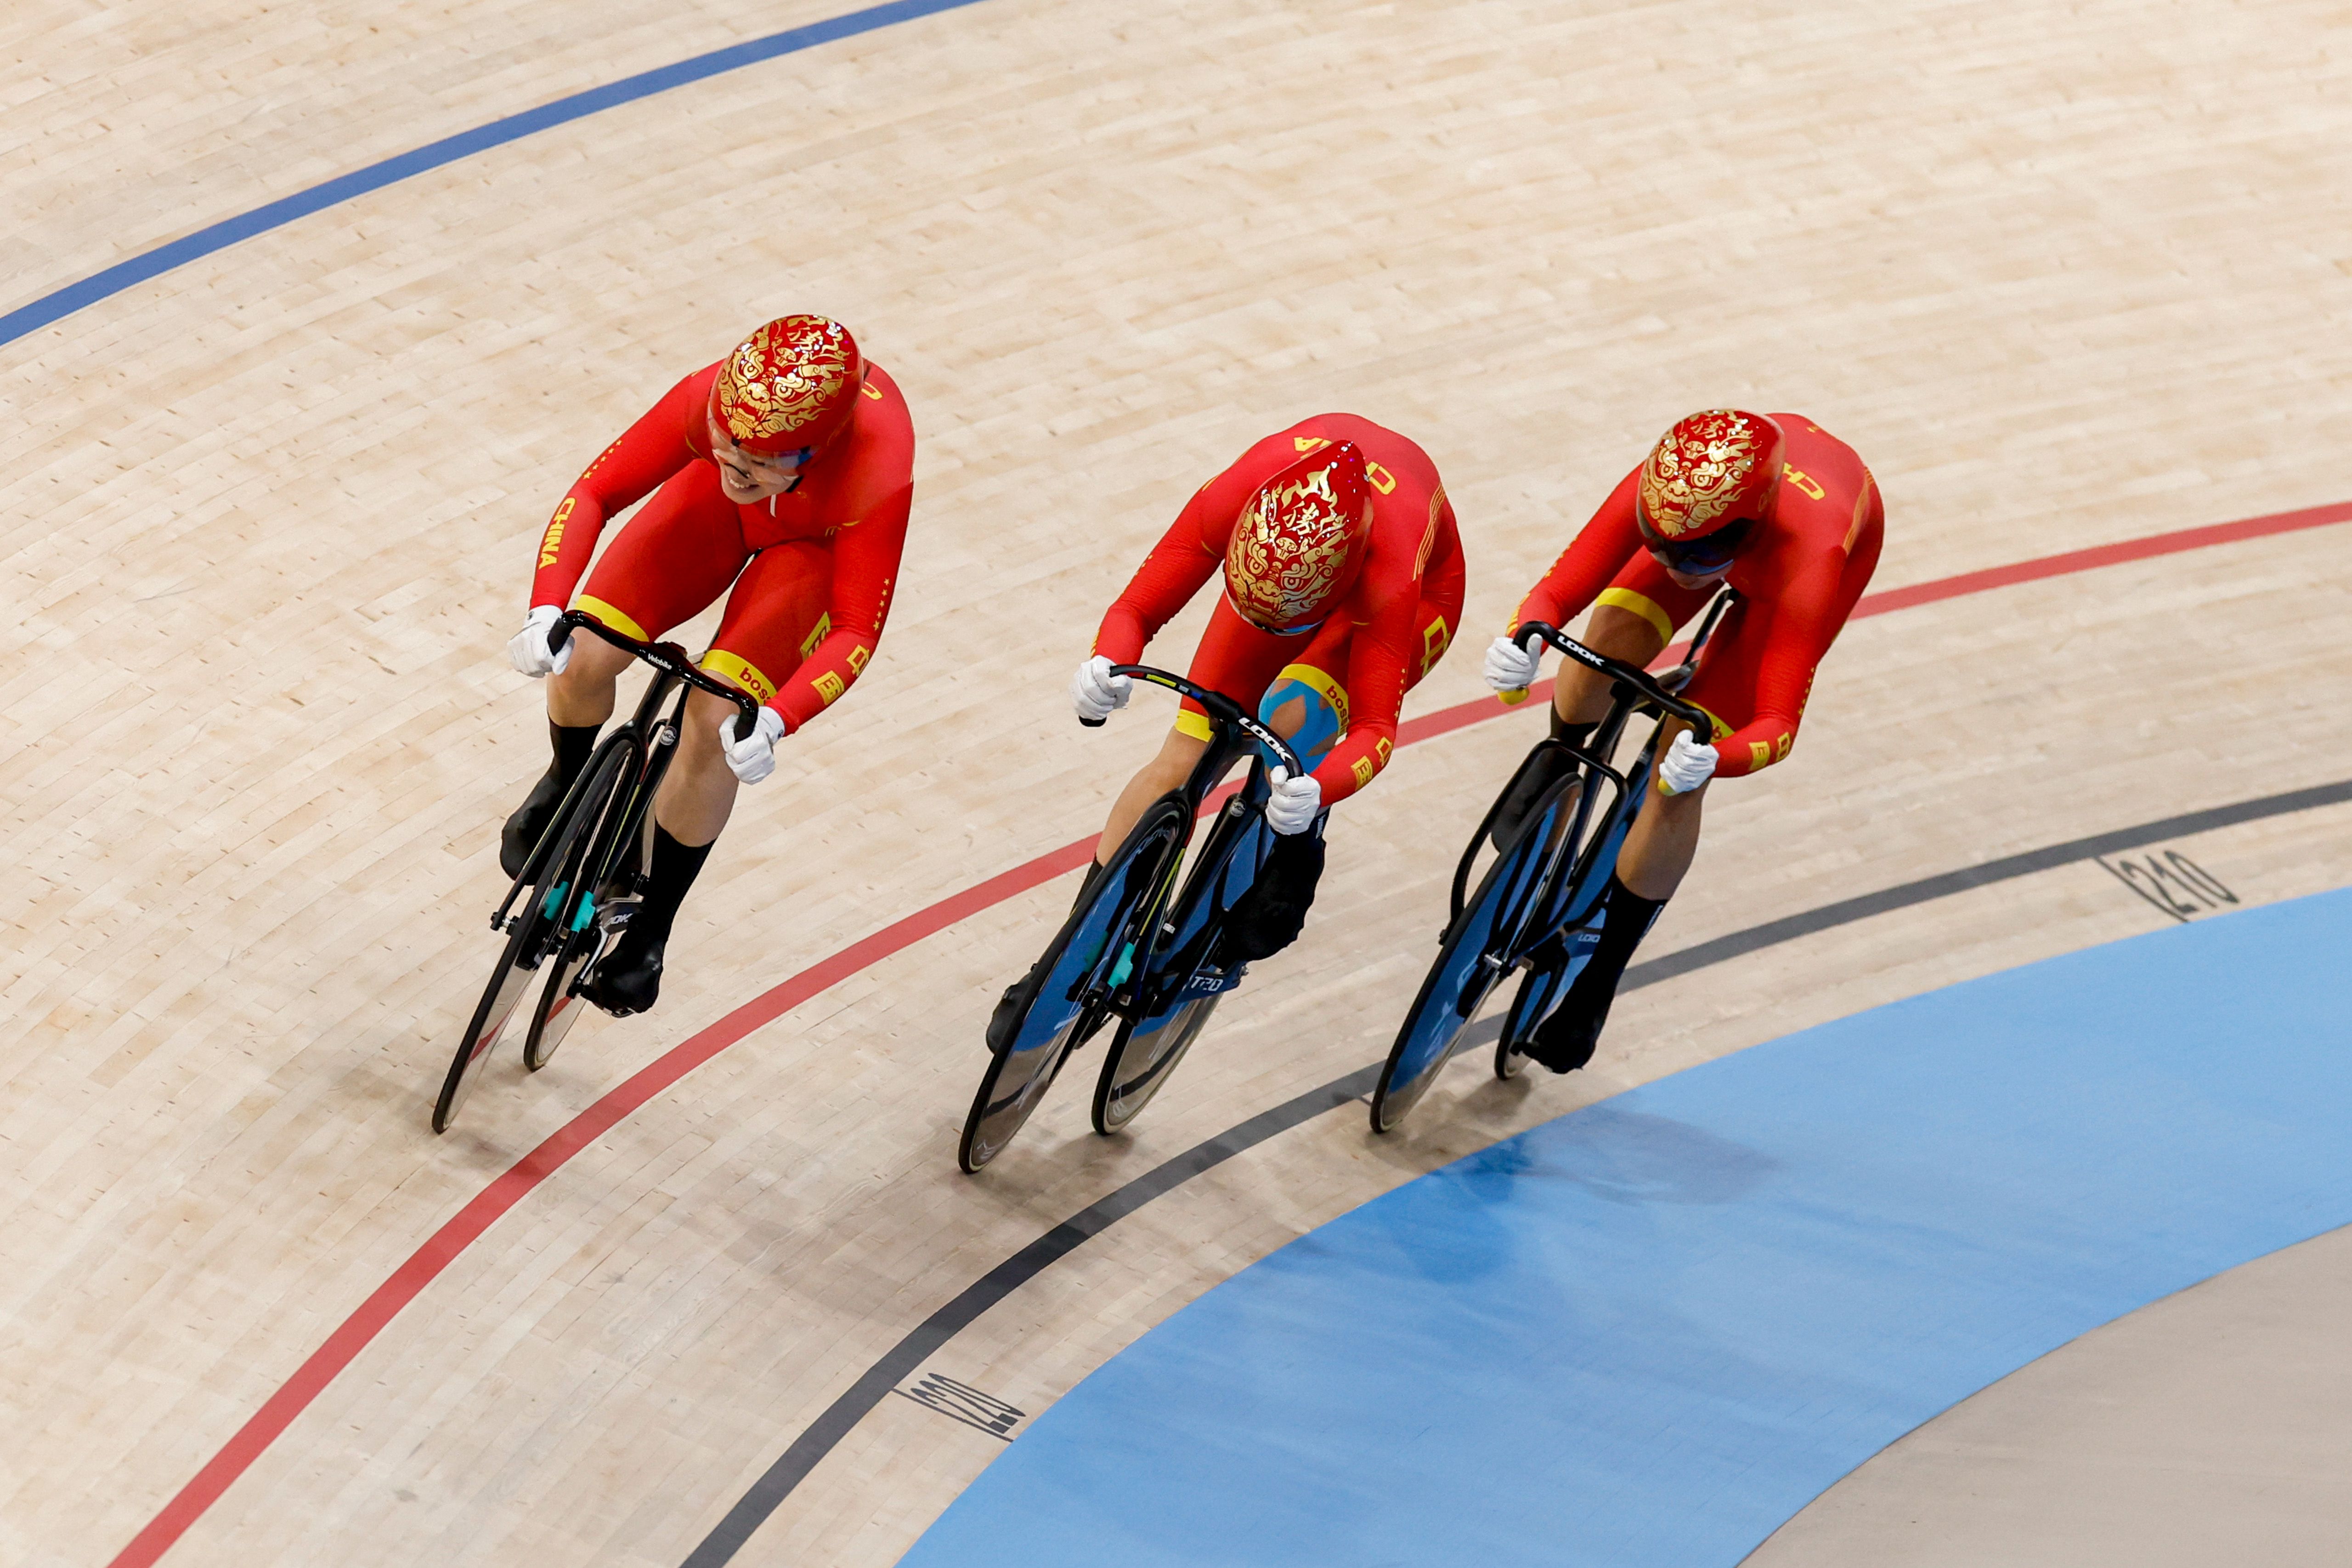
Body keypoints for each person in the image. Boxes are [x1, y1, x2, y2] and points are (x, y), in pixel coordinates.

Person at [990, 417, 1464, 1046]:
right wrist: (1106, 661)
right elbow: (1137, 607)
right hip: (1285, 589)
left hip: (1409, 605)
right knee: (1183, 755)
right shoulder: (1242, 492)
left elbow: (1377, 727)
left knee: (1292, 723)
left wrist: (1318, 788)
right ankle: (1078, 948)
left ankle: (1285, 852)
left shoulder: (1389, 573)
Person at [499, 315, 914, 1014]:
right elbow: (596, 493)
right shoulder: (714, 406)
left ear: (817, 450)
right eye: (726, 440)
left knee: (717, 716)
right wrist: (547, 607)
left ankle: (651, 933)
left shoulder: (878, 468)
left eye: (759, 459)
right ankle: (566, 781)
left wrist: (781, 718)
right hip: (711, 514)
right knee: (585, 649)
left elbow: (855, 630)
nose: (735, 460)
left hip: (808, 551)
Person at [1481, 408, 1882, 1072]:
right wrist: (1524, 635)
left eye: (1694, 556)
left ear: (1746, 527)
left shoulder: (1811, 556)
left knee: (1678, 767)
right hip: (1716, 514)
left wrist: (1713, 757)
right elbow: (1559, 592)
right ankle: (1560, 765)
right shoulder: (1674, 499)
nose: (1673, 564)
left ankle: (1600, 979)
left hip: (1801, 562)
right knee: (1594, 656)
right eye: (1656, 543)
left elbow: (1777, 725)